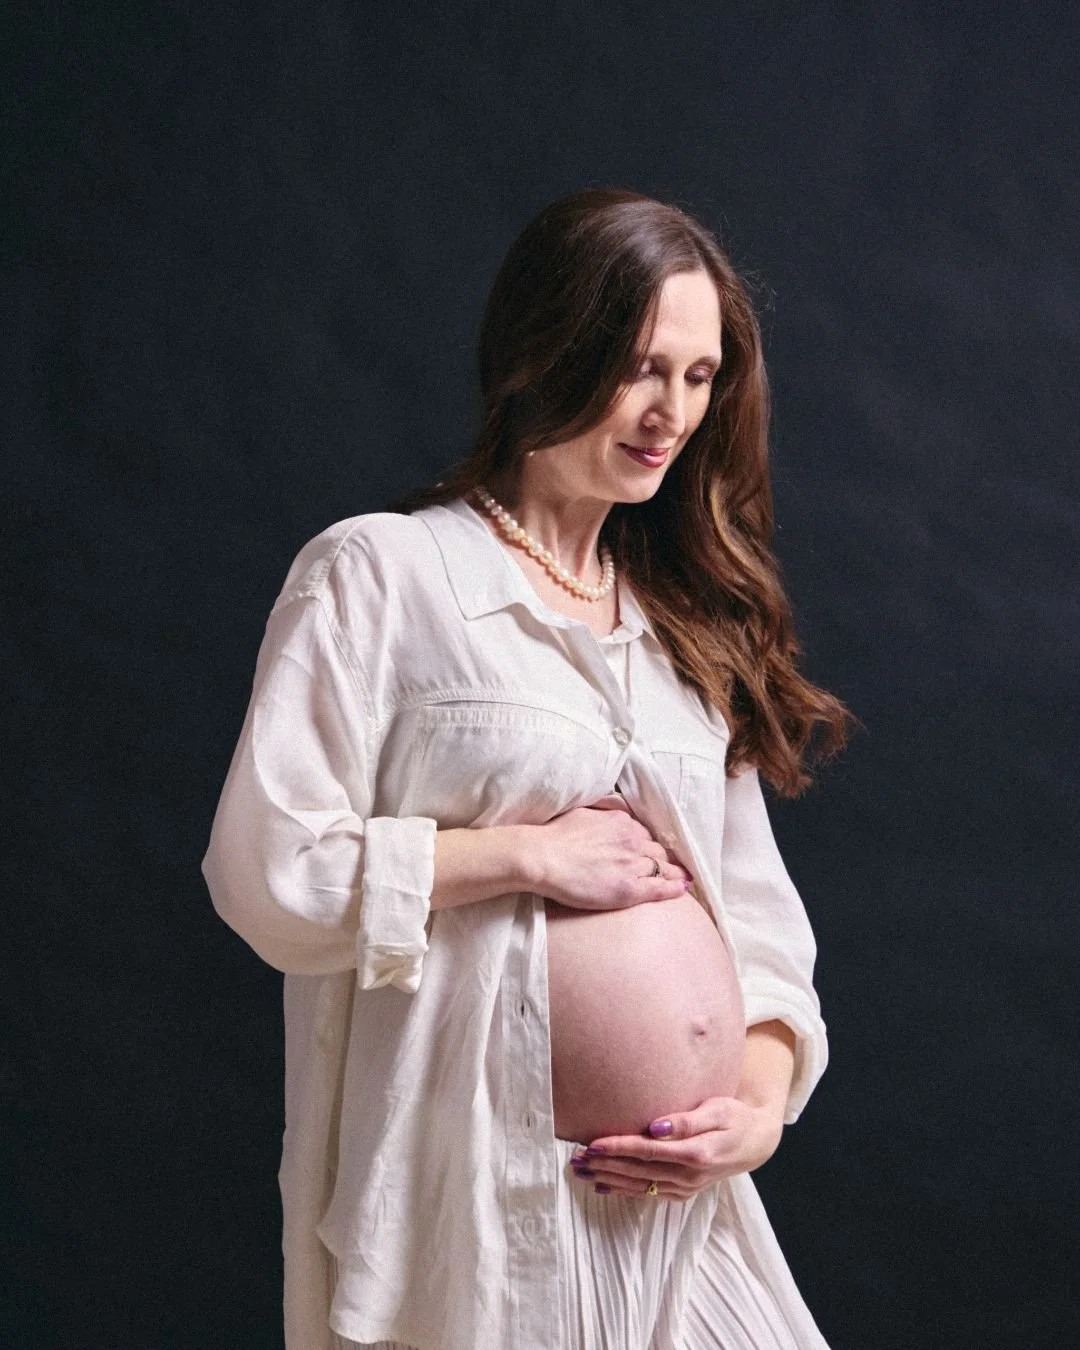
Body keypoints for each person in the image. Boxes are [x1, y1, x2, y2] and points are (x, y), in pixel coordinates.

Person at [202, 187, 853, 1350]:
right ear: (547, 345)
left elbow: (756, 916)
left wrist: (754, 1103)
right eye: (642, 366)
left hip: (682, 1209)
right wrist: (520, 857)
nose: (671, 414)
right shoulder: (384, 575)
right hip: (489, 1210)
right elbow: (270, 868)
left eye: (701, 378)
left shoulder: (682, 626)